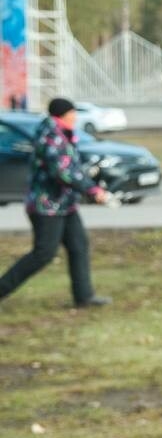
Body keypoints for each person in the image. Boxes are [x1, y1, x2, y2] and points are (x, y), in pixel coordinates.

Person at [0, 97, 111, 307]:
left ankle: (84, 296)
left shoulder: (63, 135)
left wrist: (89, 181)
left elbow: (71, 167)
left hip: (64, 204)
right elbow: (62, 172)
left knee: (78, 245)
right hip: (47, 206)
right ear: (62, 115)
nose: (75, 117)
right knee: (43, 254)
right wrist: (91, 189)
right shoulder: (51, 137)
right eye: (72, 113)